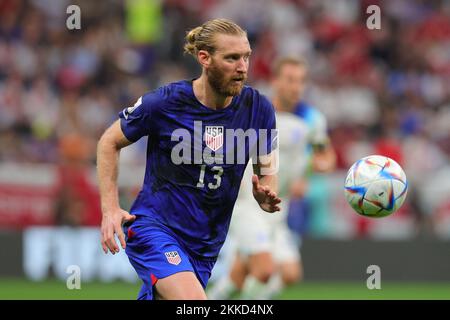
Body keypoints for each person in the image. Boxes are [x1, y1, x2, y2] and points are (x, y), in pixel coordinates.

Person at [97, 18, 281, 300]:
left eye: (246, 57)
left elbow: (267, 170)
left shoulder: (259, 109)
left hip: (205, 246)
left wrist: (266, 193)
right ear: (204, 58)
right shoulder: (165, 103)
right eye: (232, 58)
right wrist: (110, 209)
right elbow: (109, 141)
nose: (242, 67)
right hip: (154, 228)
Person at [207, 57, 335, 300]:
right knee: (264, 271)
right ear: (275, 81)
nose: (296, 87)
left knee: (288, 274)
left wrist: (318, 166)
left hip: (278, 207)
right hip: (248, 203)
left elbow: (325, 155)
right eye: (290, 80)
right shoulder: (256, 112)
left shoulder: (313, 119)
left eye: (300, 81)